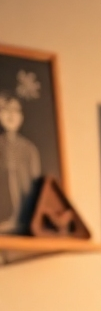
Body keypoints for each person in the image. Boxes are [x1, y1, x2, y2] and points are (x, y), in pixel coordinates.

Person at [0, 93, 42, 234]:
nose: (10, 115)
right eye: (5, 110)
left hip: (25, 207)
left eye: (15, 111)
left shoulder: (29, 148)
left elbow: (35, 181)